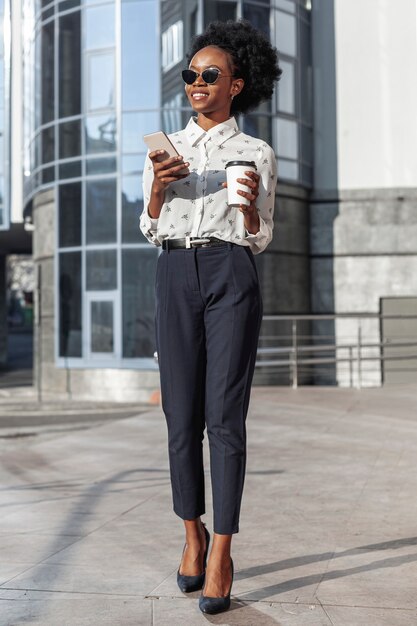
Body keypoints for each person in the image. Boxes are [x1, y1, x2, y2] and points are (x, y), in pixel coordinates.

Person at [140, 19, 281, 615]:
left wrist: (248, 213)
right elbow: (149, 227)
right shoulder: (163, 148)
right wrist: (156, 191)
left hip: (231, 273)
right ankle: (191, 533)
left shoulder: (256, 153)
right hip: (175, 272)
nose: (197, 82)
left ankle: (222, 549)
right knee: (180, 416)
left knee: (226, 417)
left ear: (236, 84)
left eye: (210, 75)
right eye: (190, 75)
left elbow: (263, 234)